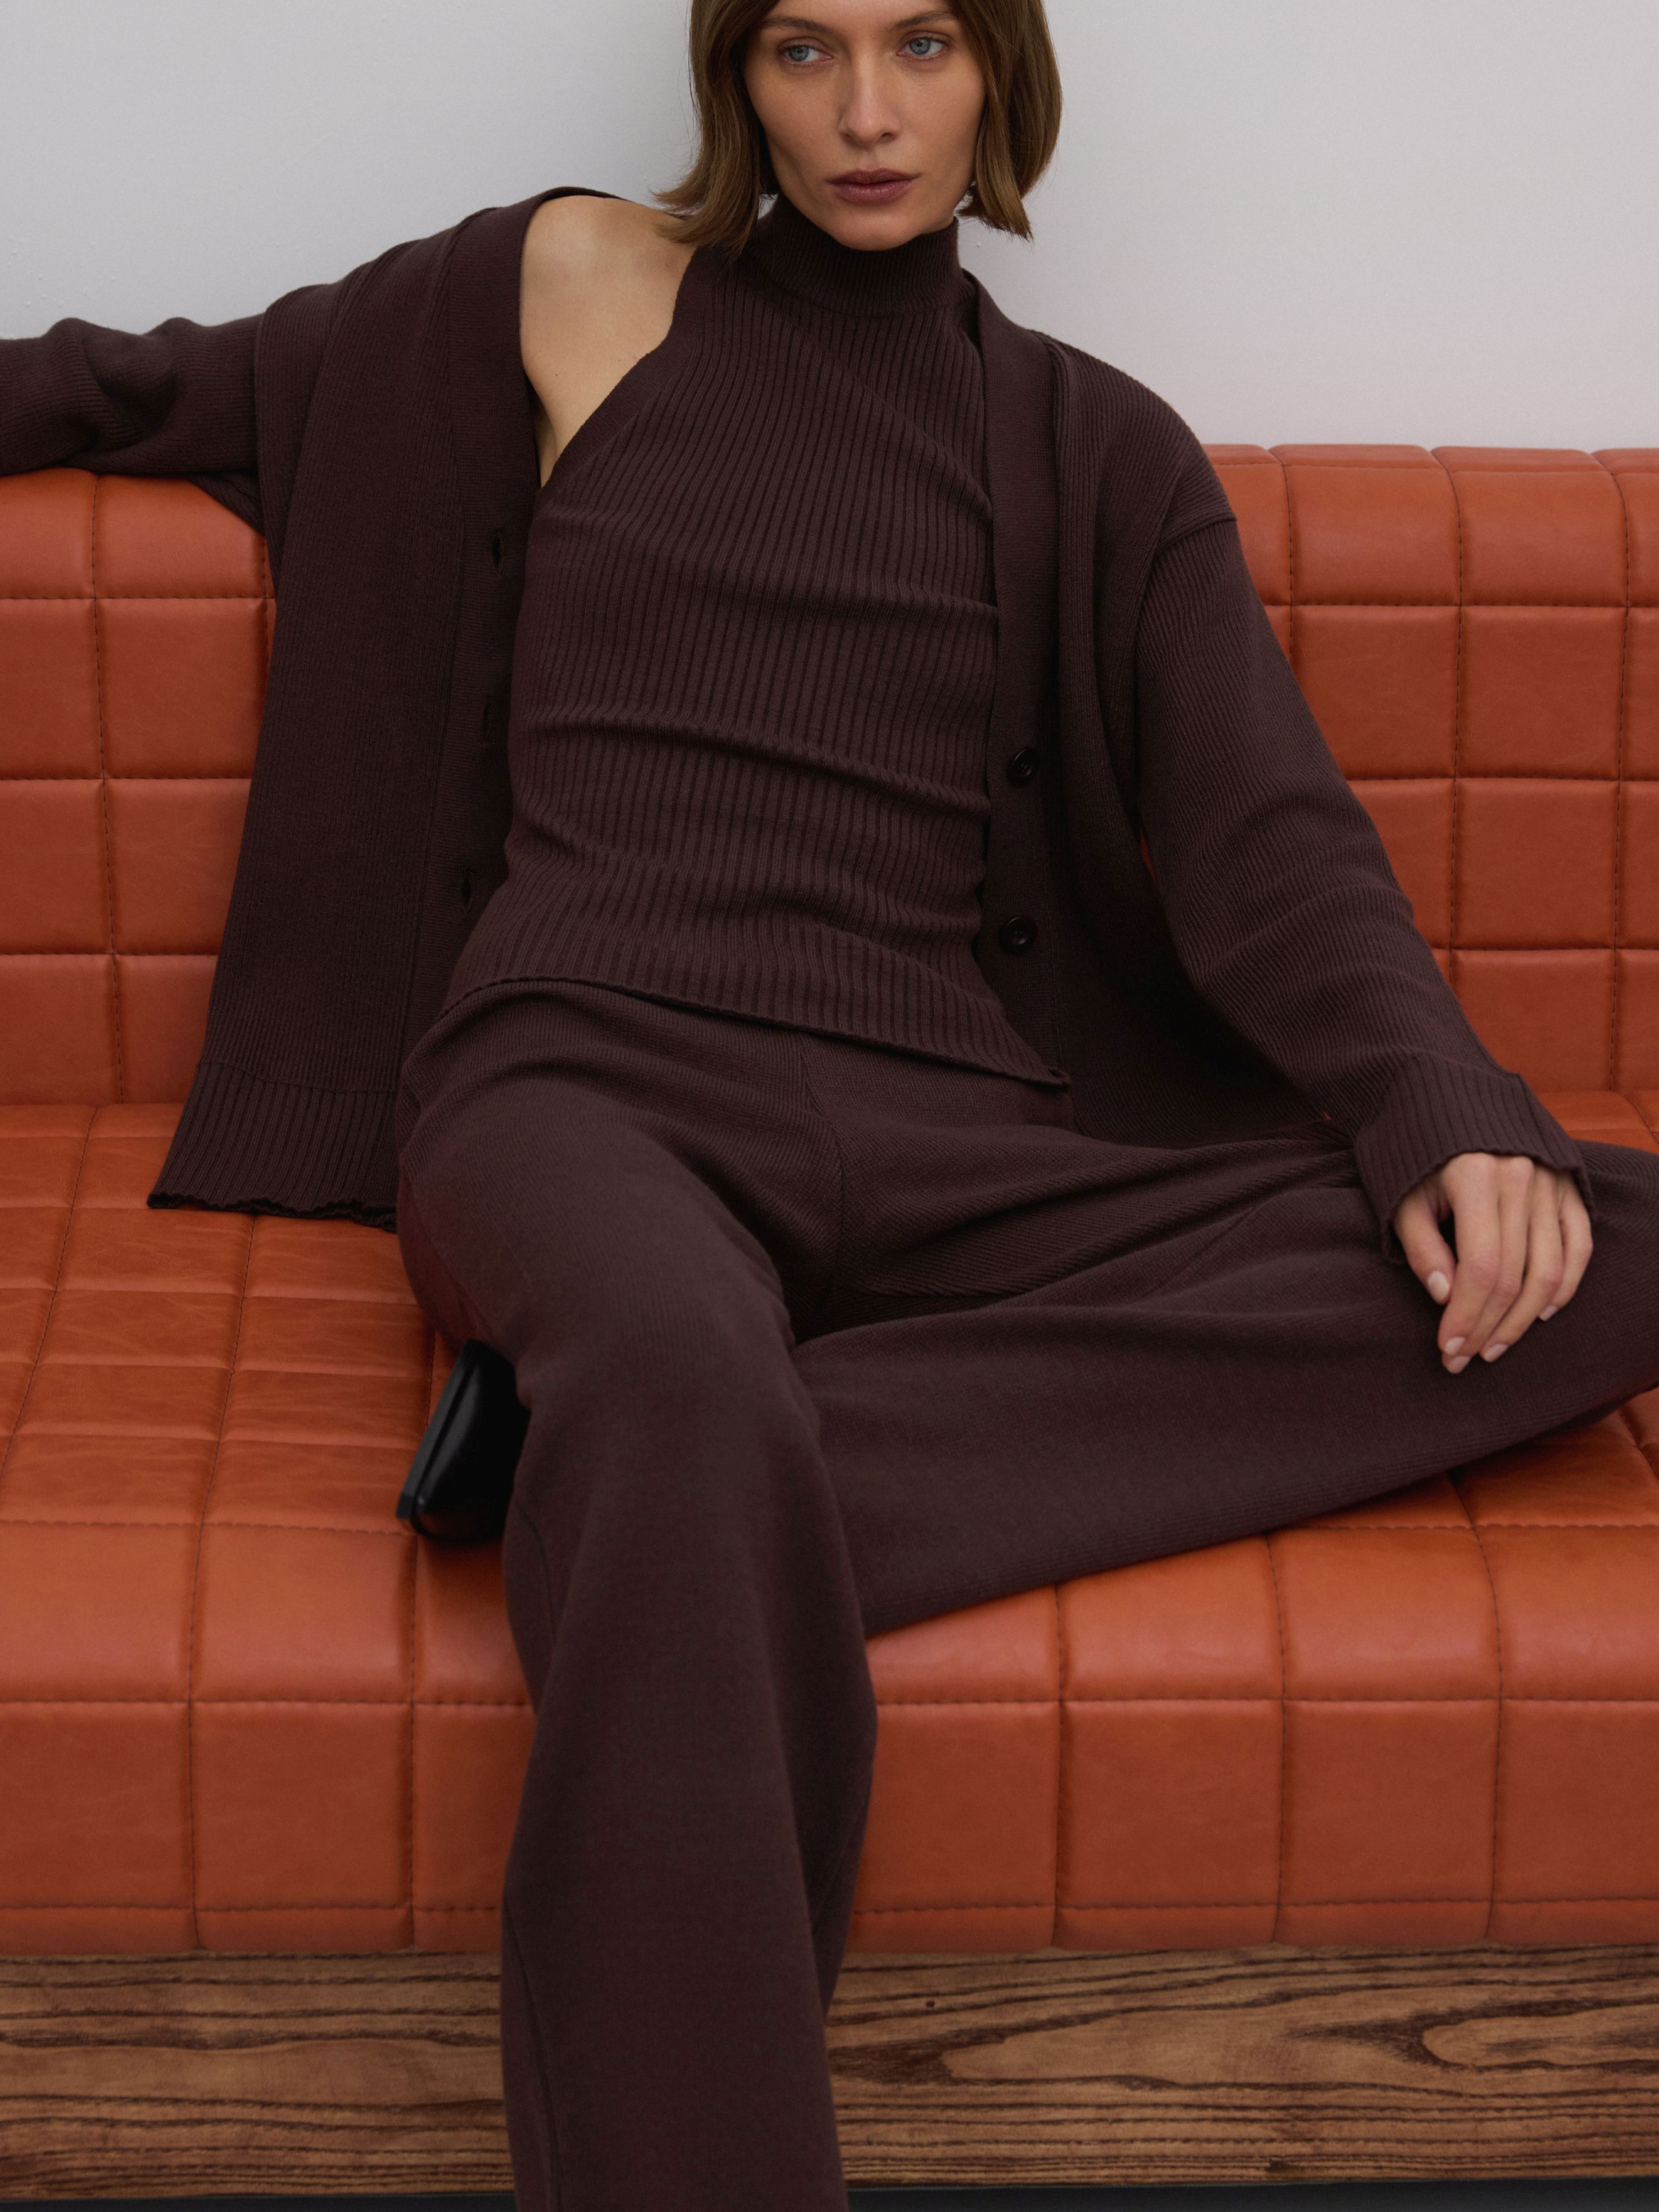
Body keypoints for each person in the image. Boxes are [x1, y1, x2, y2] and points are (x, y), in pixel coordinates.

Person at [7, 2, 1659, 2205]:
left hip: (969, 1125)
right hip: (583, 1075)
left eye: (921, 44)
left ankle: (629, 1474)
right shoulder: (572, 286)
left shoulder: (1098, 445)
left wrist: (1444, 1101)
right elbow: (141, 385)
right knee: (683, 1373)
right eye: (803, 49)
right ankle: (667, 1452)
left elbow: (1264, 836)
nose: (866, 112)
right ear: (736, 78)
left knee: (1608, 1241)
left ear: (999, 75)